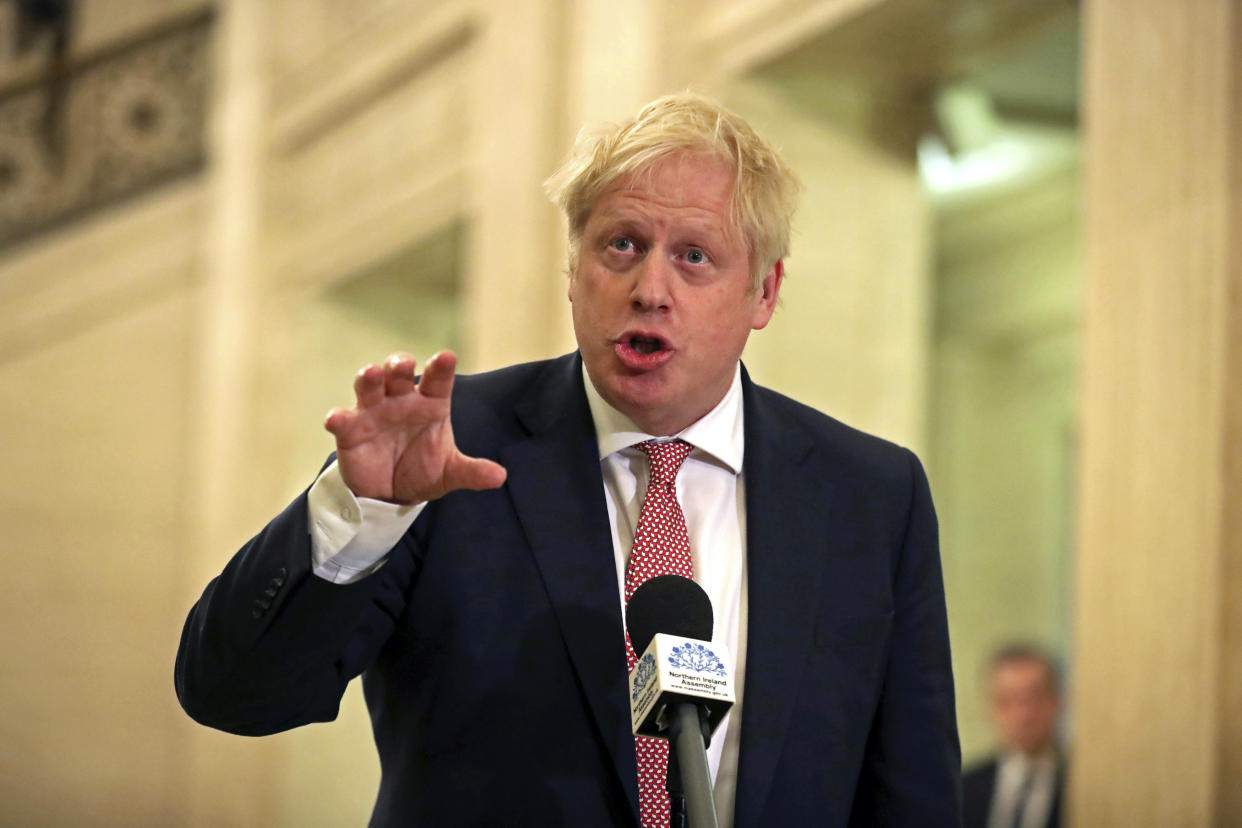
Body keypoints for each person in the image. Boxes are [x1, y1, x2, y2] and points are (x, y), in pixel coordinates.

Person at [175, 93, 960, 827]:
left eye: (694, 256)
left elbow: (912, 793)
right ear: (574, 269)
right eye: (621, 244)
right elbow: (232, 694)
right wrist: (363, 510)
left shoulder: (870, 496)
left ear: (763, 292)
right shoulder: (447, 449)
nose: (650, 288)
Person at [962, 643, 1066, 828]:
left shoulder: (1080, 784)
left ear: (1056, 701)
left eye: (1034, 698)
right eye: (1007, 701)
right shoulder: (964, 789)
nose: (1023, 715)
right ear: (990, 708)